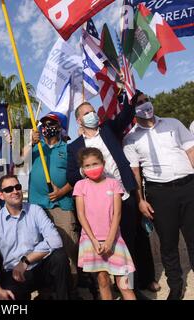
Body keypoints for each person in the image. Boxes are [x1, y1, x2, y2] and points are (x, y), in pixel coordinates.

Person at [67, 95, 159, 298]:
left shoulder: (108, 129)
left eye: (93, 111)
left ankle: (131, 286)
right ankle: (107, 287)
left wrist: (126, 94)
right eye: (86, 113)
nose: (92, 114)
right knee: (103, 252)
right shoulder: (73, 147)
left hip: (123, 196)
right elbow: (71, 176)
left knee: (130, 245)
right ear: (79, 120)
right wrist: (88, 169)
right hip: (98, 207)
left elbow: (125, 116)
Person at [123, 92, 194, 300]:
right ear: (132, 110)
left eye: (146, 100)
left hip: (188, 186)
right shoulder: (131, 139)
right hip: (159, 194)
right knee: (169, 243)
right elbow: (135, 173)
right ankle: (176, 285)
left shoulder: (173, 123)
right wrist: (140, 200)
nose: (146, 105)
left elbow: (191, 152)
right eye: (139, 103)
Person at [0, 174, 71, 300]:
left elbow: (55, 240)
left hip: (39, 267)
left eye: (17, 187)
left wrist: (25, 261)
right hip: (13, 274)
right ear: (1, 195)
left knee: (59, 257)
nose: (15, 191)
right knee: (4, 296)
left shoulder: (35, 210)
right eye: (9, 189)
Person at [73, 147, 136, 300]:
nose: (91, 168)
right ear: (82, 168)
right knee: (102, 280)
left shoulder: (113, 184)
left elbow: (117, 214)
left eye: (95, 163)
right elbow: (81, 215)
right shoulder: (80, 186)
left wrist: (109, 240)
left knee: (125, 283)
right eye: (87, 166)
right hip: (91, 241)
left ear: (103, 163)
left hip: (114, 239)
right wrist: (94, 241)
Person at [28, 112, 79, 295]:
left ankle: (70, 290)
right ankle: (46, 290)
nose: (47, 126)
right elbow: (17, 163)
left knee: (68, 250)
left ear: (59, 127)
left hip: (61, 206)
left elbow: (76, 177)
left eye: (52, 123)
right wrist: (29, 144)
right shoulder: (35, 148)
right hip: (37, 207)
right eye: (45, 123)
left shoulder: (68, 149)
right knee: (41, 250)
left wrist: (62, 191)